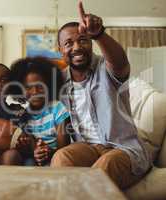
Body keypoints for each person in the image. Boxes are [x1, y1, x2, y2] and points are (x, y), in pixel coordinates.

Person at [50, 0, 151, 189]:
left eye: (82, 40)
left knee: (104, 167)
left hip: (123, 149)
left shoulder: (107, 67)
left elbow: (120, 62)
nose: (76, 47)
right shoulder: (59, 82)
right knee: (61, 157)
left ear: (91, 43)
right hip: (86, 148)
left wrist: (99, 34)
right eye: (68, 43)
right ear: (60, 50)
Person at [10, 57, 71, 166]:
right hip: (33, 157)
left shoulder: (57, 108)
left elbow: (63, 148)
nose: (35, 92)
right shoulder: (23, 113)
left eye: (40, 87)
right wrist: (35, 151)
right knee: (28, 164)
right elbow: (27, 145)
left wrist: (48, 152)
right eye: (28, 88)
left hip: (56, 156)